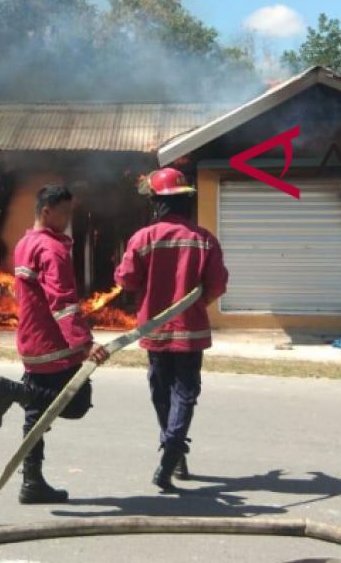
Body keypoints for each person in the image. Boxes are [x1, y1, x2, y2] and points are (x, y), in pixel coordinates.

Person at [0, 184, 109, 505]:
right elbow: (62, 303)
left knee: (36, 413)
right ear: (46, 211)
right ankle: (11, 391)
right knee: (77, 402)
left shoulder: (26, 243)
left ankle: (31, 482)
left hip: (32, 340)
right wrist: (84, 344)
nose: (69, 218)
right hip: (54, 345)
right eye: (65, 212)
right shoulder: (52, 250)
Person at [114, 168, 228, 492]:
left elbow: (125, 279)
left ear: (159, 204)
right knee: (185, 394)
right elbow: (217, 284)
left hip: (154, 331)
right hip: (190, 331)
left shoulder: (143, 238)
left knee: (161, 391)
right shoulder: (204, 239)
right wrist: (196, 304)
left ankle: (172, 451)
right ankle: (174, 452)